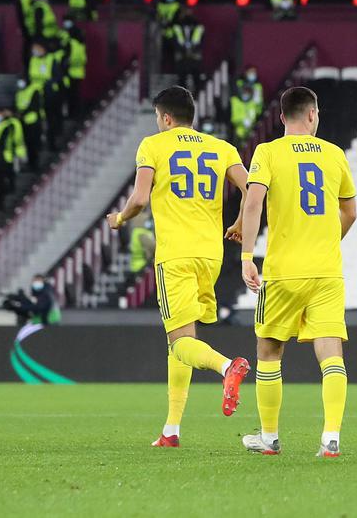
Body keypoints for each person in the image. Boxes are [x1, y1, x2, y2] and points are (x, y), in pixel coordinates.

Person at [107, 86, 250, 447]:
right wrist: (239, 224)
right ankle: (171, 430)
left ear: (166, 118)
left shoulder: (153, 146)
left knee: (179, 342)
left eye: (157, 118)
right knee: (184, 338)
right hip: (211, 255)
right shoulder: (222, 148)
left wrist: (120, 218)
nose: (157, 124)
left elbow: (139, 199)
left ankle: (225, 367)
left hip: (175, 255)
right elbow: (253, 188)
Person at [238, 86, 356, 458]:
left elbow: (253, 201)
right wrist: (325, 240)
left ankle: (270, 438)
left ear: (281, 117)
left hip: (283, 272)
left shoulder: (268, 152)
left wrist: (246, 255)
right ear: (311, 115)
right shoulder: (335, 155)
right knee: (331, 354)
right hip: (326, 272)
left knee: (269, 351)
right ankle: (331, 437)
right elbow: (350, 212)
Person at [170, 10, 205, 92]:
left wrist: (192, 48)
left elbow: (201, 39)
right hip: (181, 54)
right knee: (182, 76)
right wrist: (183, 48)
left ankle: (197, 93)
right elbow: (175, 39)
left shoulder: (198, 26)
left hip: (194, 54)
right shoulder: (177, 27)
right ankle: (183, 94)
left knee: (196, 75)